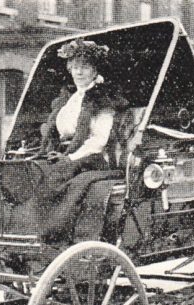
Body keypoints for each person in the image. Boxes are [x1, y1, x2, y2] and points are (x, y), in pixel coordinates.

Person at [37, 38, 129, 243]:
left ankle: (62, 236)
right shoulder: (70, 99)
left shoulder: (103, 98)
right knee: (36, 171)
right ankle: (37, 232)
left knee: (62, 180)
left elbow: (99, 140)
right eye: (75, 67)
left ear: (95, 70)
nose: (79, 72)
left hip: (94, 158)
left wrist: (71, 158)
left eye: (85, 67)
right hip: (67, 154)